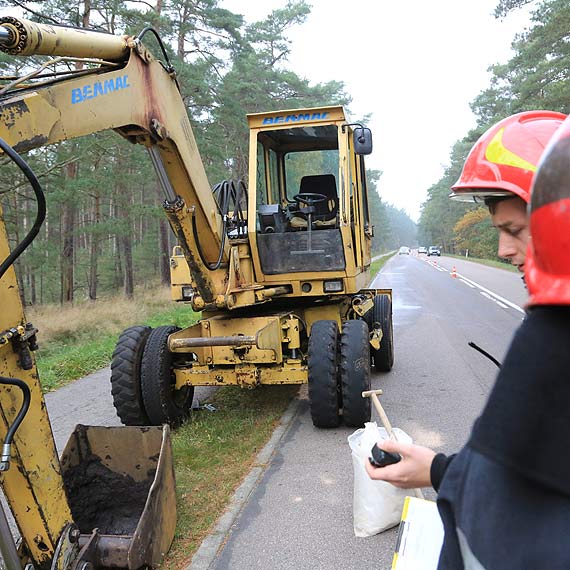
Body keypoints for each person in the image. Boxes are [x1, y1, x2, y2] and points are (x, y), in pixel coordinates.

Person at [366, 111, 570, 568]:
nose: (502, 250)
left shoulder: (554, 344)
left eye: (514, 230)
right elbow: (513, 484)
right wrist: (439, 470)